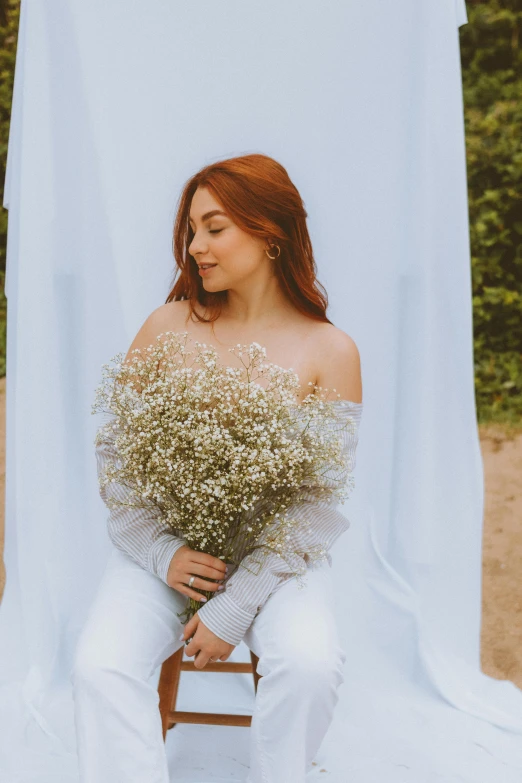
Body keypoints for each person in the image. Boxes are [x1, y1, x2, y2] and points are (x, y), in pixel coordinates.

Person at [71, 152, 363, 783]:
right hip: (165, 554)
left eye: (214, 227)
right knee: (99, 666)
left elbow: (318, 505)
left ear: (270, 231)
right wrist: (161, 552)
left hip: (278, 561)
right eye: (192, 230)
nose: (196, 246)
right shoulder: (167, 325)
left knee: (310, 666)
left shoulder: (330, 350)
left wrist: (236, 607)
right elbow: (115, 460)